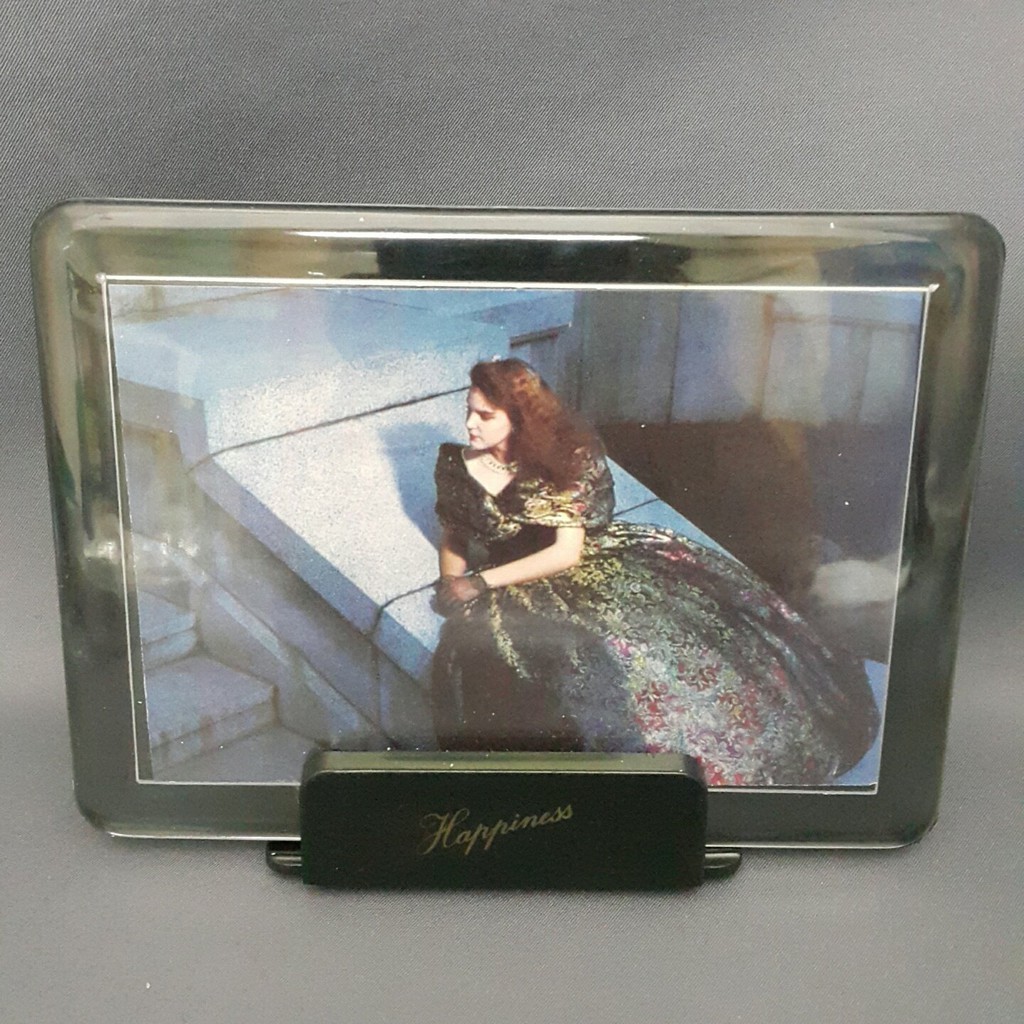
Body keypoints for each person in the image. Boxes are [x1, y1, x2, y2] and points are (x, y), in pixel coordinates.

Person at [431, 358, 879, 786]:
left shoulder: (558, 459)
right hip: (513, 583)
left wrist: (480, 581)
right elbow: (455, 534)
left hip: (579, 567)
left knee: (652, 646)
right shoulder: (458, 464)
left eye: (485, 415)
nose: (471, 424)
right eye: (469, 411)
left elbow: (566, 553)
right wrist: (451, 580)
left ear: (519, 419)